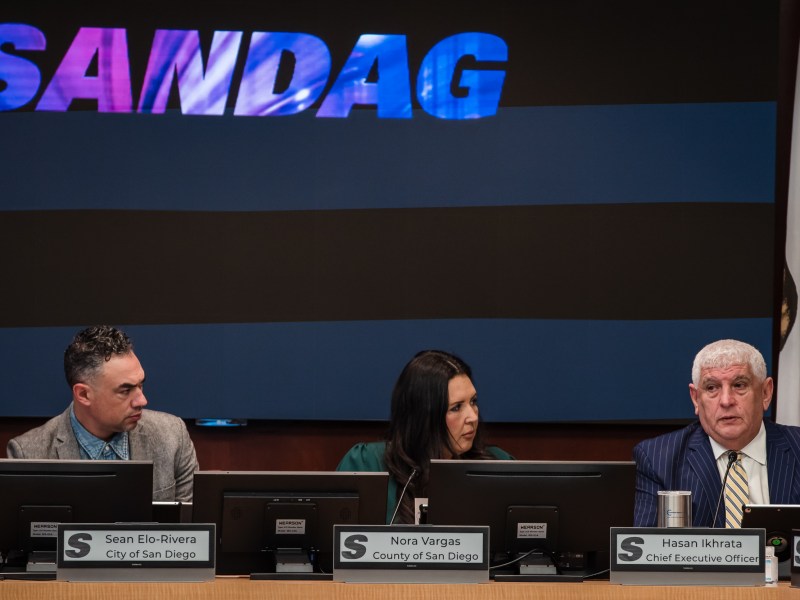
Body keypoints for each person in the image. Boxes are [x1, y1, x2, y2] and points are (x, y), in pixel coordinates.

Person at [6, 325, 199, 502]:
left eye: (141, 385)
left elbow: (189, 531)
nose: (142, 400)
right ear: (84, 394)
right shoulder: (28, 454)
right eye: (125, 390)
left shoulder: (173, 436)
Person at [633, 339, 800, 527]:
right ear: (696, 398)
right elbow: (647, 550)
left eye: (739, 385)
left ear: (765, 392)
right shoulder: (659, 460)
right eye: (712, 388)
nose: (726, 401)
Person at [337, 349, 513, 524]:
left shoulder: (497, 466)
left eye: (473, 402)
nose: (473, 417)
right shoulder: (367, 464)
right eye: (456, 407)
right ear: (423, 417)